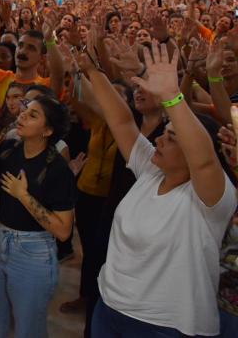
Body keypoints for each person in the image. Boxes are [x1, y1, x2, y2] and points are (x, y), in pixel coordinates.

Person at [81, 41, 237, 337]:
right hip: (111, 307)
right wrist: (92, 70)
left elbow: (203, 162)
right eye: (163, 133)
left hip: (166, 325)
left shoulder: (212, 198)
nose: (160, 141)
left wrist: (171, 96)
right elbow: (121, 121)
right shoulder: (151, 172)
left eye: (173, 137)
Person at [0, 94, 76, 338]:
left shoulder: (57, 169)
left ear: (48, 130)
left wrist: (24, 196)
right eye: (24, 110)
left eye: (33, 115)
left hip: (32, 250)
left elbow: (63, 230)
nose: (21, 115)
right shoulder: (9, 150)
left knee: (28, 327)